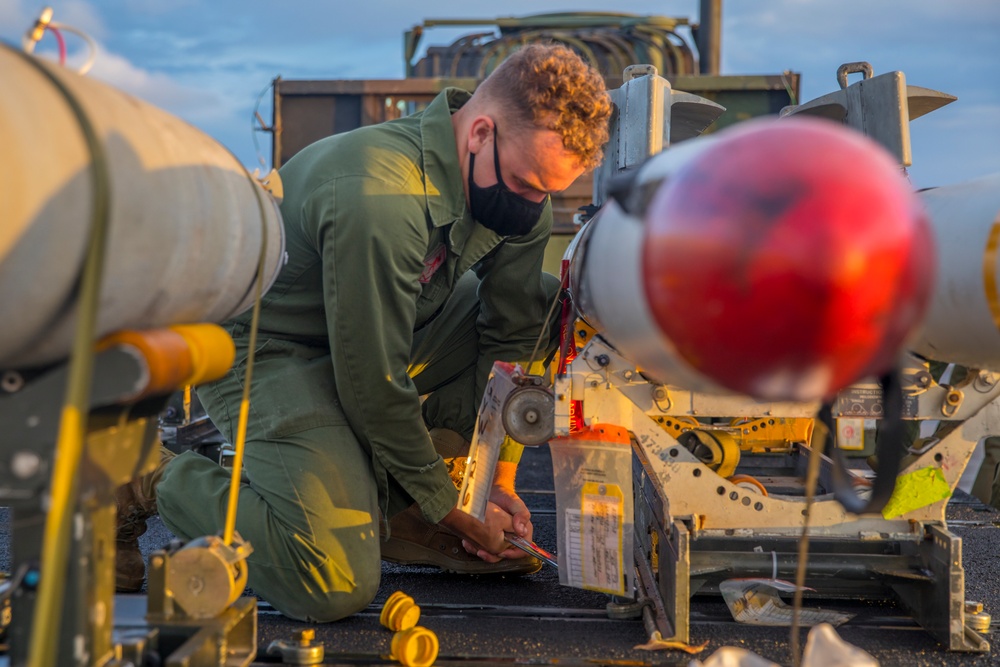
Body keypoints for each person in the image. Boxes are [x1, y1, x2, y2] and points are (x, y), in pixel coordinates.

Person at [115, 43, 611, 622]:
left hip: (379, 338)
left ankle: (394, 496)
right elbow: (373, 385)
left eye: (547, 191)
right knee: (332, 581)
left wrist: (493, 485)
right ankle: (147, 476)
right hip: (269, 350)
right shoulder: (380, 196)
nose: (532, 208)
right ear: (479, 134)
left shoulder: (510, 190)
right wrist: (449, 510)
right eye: (526, 184)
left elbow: (511, 342)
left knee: (546, 309)